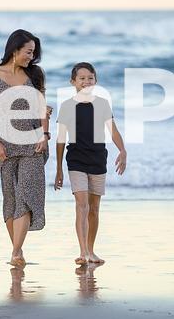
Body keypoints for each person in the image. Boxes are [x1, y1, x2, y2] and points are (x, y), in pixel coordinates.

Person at [0, 29, 49, 268]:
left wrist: (45, 134)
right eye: (28, 52)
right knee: (10, 199)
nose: (31, 57)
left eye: (33, 53)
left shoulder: (36, 74)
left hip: (33, 143)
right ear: (14, 50)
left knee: (26, 195)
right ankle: (17, 252)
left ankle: (17, 251)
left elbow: (42, 108)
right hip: (5, 145)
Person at [54, 62, 127, 265]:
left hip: (97, 159)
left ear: (96, 80)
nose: (86, 81)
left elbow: (113, 131)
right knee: (82, 205)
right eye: (82, 78)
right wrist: (59, 168)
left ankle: (91, 250)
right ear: (73, 82)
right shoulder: (67, 106)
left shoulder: (102, 104)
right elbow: (60, 139)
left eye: (90, 78)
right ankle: (83, 251)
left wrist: (123, 150)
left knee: (94, 208)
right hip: (76, 159)